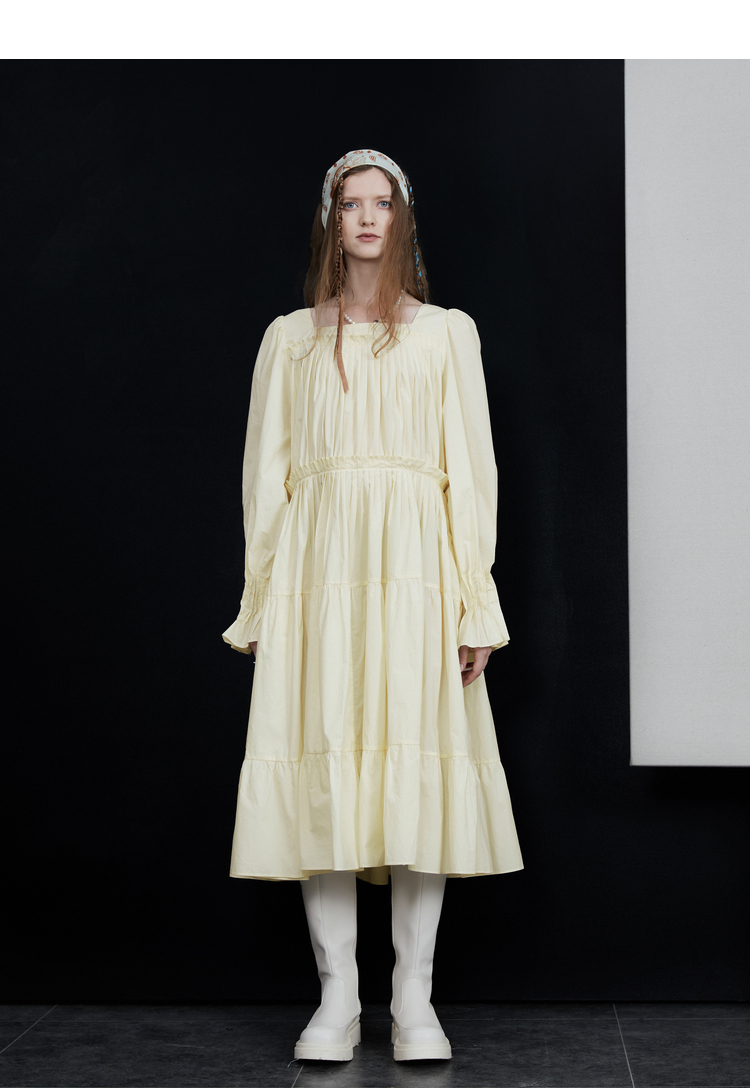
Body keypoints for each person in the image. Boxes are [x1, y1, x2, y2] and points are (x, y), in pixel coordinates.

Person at [222, 148, 523, 1063]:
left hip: (416, 574)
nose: (364, 217)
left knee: (415, 772)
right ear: (331, 219)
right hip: (318, 577)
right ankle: (338, 998)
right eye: (349, 202)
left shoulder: (446, 335)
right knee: (325, 772)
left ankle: (414, 998)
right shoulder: (289, 339)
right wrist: (262, 597)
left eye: (379, 203)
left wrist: (474, 600)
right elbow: (264, 479)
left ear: (400, 218)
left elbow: (471, 473)